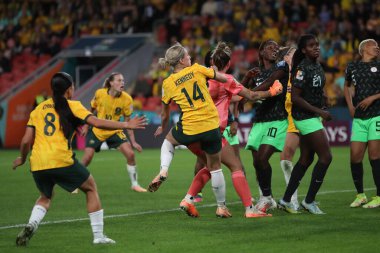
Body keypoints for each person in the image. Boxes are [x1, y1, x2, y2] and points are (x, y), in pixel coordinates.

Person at [12, 72, 146, 246]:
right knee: (91, 188)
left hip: (37, 162)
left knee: (45, 196)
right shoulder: (73, 105)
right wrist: (126, 124)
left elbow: (25, 141)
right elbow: (97, 122)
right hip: (60, 159)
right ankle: (98, 236)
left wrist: (22, 159)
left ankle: (31, 225)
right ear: (69, 89)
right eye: (73, 86)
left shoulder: (38, 109)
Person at [178, 43, 281, 218]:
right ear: (228, 63)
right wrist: (272, 92)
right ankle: (249, 210)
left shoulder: (201, 78)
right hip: (212, 130)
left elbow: (230, 97)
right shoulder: (226, 80)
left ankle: (188, 199)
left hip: (193, 129)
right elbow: (252, 95)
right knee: (236, 166)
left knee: (212, 167)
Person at [147, 42, 229, 218]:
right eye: (187, 56)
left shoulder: (167, 83)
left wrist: (162, 127)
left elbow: (164, 114)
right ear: (182, 61)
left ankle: (163, 169)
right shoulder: (198, 69)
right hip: (210, 124)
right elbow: (223, 79)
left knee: (168, 142)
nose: (190, 58)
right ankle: (221, 207)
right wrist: (213, 71)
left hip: (189, 128)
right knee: (215, 167)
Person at [278, 34, 333, 215]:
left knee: (306, 159)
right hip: (305, 117)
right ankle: (309, 201)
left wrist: (323, 100)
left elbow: (314, 89)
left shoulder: (316, 65)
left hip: (311, 115)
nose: (316, 48)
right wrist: (320, 112)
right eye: (311, 46)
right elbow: (295, 98)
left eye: (317, 45)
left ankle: (286, 200)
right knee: (326, 157)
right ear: (303, 50)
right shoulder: (302, 69)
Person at [241, 39, 289, 213]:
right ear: (261, 52)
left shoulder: (282, 68)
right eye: (270, 47)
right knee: (256, 162)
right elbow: (239, 91)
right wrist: (247, 78)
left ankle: (266, 198)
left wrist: (250, 94)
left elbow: (269, 84)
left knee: (262, 158)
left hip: (277, 119)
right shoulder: (256, 73)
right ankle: (266, 197)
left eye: (276, 47)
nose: (274, 50)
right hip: (259, 120)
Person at [81, 72, 147, 193]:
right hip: (97, 130)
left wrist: (133, 142)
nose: (122, 82)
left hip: (114, 130)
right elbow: (91, 109)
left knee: (130, 155)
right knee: (87, 158)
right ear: (111, 83)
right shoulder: (99, 93)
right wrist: (86, 125)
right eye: (118, 80)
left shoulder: (127, 99)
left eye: (123, 80)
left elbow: (128, 122)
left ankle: (135, 184)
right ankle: (76, 182)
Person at [344, 39, 380, 208]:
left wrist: (372, 97)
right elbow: (347, 86)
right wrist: (350, 106)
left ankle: (379, 197)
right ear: (365, 48)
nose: (377, 48)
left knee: (375, 156)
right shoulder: (352, 67)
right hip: (359, 118)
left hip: (377, 115)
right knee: (355, 157)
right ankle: (361, 195)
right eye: (375, 45)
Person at [278, 46, 300, 210]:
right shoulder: (284, 76)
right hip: (291, 120)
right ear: (286, 58)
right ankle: (293, 200)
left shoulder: (302, 72)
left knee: (319, 158)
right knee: (286, 158)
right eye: (293, 53)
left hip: (305, 118)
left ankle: (300, 200)